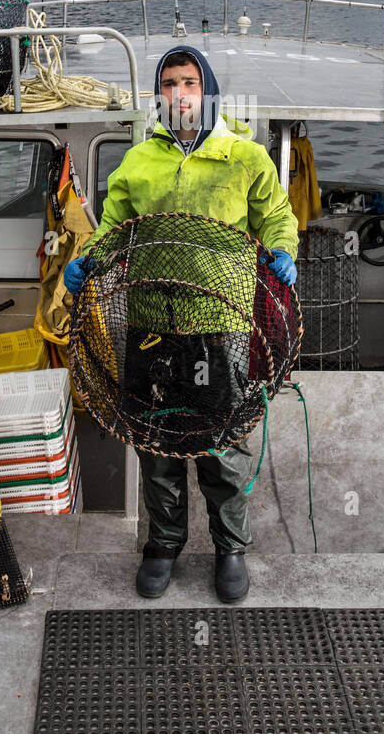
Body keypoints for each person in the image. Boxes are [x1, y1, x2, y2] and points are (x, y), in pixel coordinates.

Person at [64, 45, 298, 603]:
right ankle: (164, 544)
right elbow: (115, 224)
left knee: (222, 443)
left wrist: (284, 250)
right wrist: (88, 258)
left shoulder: (245, 157)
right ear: (159, 95)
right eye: (168, 84)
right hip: (150, 324)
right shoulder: (140, 161)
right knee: (158, 439)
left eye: (189, 82)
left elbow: (279, 218)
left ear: (207, 90)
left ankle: (230, 548)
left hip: (221, 324)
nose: (178, 94)